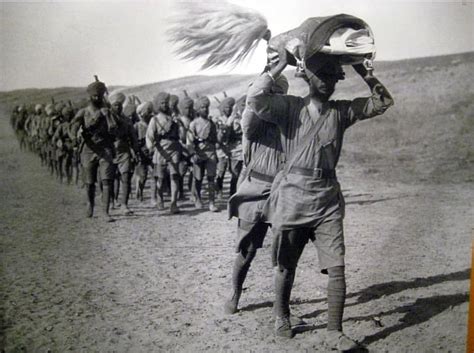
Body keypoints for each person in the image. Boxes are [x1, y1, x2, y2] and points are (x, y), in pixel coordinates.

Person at [247, 48, 393, 350]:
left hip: (326, 199)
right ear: (307, 78)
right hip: (292, 198)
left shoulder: (341, 112)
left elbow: (383, 102)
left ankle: (333, 331)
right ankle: (281, 315)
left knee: (337, 266)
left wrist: (362, 71)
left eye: (333, 76)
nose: (329, 82)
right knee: (286, 265)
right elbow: (255, 100)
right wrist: (279, 67)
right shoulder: (288, 107)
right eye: (322, 76)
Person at [224, 76, 289, 315]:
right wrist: (272, 73)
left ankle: (281, 308)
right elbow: (252, 102)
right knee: (247, 250)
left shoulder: (290, 124)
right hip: (254, 190)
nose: (276, 100)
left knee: (284, 254)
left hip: (282, 193)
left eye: (280, 95)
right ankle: (235, 294)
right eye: (272, 94)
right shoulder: (253, 122)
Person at [69, 78, 119, 222]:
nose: (97, 98)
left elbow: (115, 129)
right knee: (90, 182)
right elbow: (73, 126)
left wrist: (109, 116)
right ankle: (90, 204)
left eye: (99, 95)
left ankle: (105, 211)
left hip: (105, 149)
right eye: (94, 96)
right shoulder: (84, 112)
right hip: (88, 149)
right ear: (90, 96)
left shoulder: (108, 111)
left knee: (107, 180)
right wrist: (73, 136)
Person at [146, 92, 181, 214]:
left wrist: (178, 123)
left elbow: (181, 135)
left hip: (174, 149)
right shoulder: (154, 119)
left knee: (174, 177)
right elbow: (149, 135)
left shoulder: (175, 118)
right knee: (160, 178)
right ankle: (160, 199)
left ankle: (173, 203)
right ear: (158, 105)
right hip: (161, 150)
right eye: (162, 103)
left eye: (166, 103)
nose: (165, 105)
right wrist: (150, 148)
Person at [110, 92, 141, 215]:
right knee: (111, 178)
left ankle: (124, 205)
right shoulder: (106, 119)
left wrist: (136, 150)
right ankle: (111, 200)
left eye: (119, 105)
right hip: (110, 151)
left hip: (124, 150)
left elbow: (133, 136)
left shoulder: (126, 120)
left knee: (126, 178)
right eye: (115, 105)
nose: (118, 107)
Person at [187, 96, 219, 212]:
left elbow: (215, 139)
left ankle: (211, 202)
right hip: (198, 153)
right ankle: (198, 199)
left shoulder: (212, 124)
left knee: (211, 178)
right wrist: (192, 154)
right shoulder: (193, 124)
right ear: (198, 109)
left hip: (210, 153)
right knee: (198, 178)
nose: (205, 109)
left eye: (206, 107)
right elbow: (189, 141)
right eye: (202, 107)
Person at [213, 96, 235, 199]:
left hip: (231, 149)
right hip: (221, 150)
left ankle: (232, 192)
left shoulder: (234, 119)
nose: (228, 109)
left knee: (233, 172)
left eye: (230, 107)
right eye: (226, 107)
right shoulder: (218, 120)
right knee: (220, 172)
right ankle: (219, 190)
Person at [175, 95, 195, 200]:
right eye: (186, 108)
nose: (189, 110)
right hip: (182, 148)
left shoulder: (194, 119)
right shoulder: (178, 121)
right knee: (181, 173)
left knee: (194, 171)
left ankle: (193, 193)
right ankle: (180, 192)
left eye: (190, 108)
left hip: (192, 148)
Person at [134, 101, 154, 202]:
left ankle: (154, 197)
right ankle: (139, 190)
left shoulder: (153, 124)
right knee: (142, 176)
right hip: (141, 153)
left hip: (152, 152)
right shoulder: (137, 126)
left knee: (155, 174)